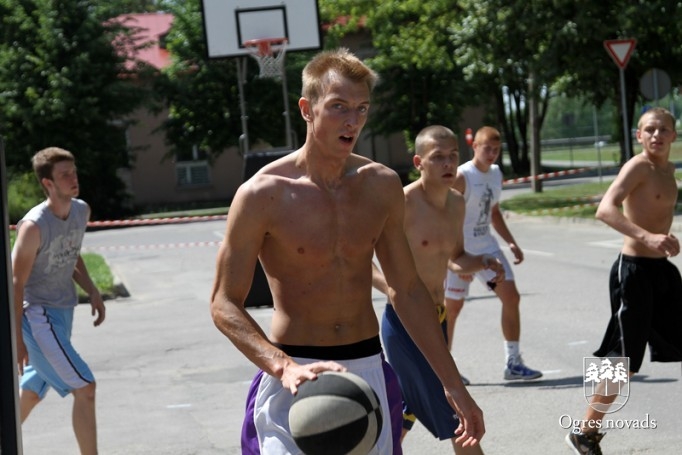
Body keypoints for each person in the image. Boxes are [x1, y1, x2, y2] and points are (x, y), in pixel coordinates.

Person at [210, 48, 484, 455]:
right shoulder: (262, 194)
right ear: (307, 108)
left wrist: (452, 383)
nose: (352, 121)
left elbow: (406, 290)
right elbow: (224, 303)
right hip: (295, 373)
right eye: (338, 107)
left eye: (361, 109)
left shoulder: (382, 186)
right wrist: (280, 364)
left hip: (367, 369)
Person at [374, 126, 503, 454]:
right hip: (405, 320)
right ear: (419, 162)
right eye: (438, 158)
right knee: (456, 412)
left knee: (409, 408)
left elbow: (456, 258)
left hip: (438, 316)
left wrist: (484, 261)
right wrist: (395, 288)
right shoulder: (401, 203)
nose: (448, 164)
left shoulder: (457, 203)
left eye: (453, 156)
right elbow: (361, 263)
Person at [565, 107, 682, 454]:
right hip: (632, 273)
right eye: (650, 130)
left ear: (674, 135)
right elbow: (606, 209)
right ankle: (585, 432)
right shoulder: (637, 167)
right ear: (639, 136)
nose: (656, 135)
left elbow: (655, 215)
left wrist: (666, 237)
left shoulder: (670, 170)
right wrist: (646, 237)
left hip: (662, 271)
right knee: (623, 363)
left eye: (663, 129)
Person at [12, 147, 105, 455]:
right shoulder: (33, 226)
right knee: (85, 387)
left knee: (30, 394)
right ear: (47, 183)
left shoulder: (81, 211)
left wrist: (91, 289)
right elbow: (16, 282)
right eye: (64, 175)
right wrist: (16, 339)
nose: (72, 178)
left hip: (62, 313)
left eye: (73, 172)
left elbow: (70, 250)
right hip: (37, 317)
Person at [444, 126, 542, 381]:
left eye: (496, 149)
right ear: (474, 146)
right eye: (487, 148)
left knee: (511, 297)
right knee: (451, 309)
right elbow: (446, 216)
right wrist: (457, 261)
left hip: (486, 247)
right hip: (459, 249)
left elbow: (494, 212)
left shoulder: (496, 174)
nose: (492, 154)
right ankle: (443, 371)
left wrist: (511, 242)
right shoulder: (463, 176)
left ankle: (513, 361)